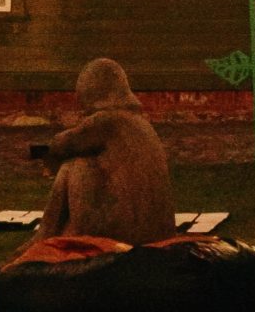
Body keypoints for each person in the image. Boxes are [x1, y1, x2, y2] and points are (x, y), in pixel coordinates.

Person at [35, 58, 176, 245]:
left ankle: (45, 234)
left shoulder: (106, 121)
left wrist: (40, 153)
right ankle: (47, 234)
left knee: (73, 165)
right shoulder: (141, 123)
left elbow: (61, 145)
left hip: (124, 235)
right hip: (157, 234)